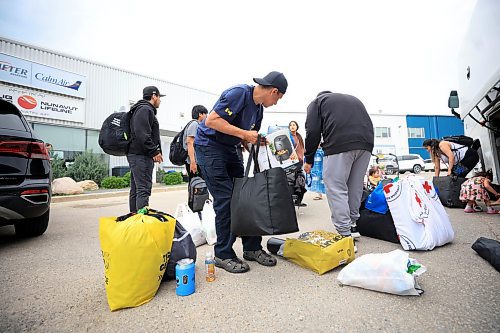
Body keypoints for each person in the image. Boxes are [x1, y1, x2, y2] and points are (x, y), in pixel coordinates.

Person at [195, 71, 287, 273]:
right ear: (273, 91)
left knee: (246, 197)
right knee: (226, 200)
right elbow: (212, 121)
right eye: (278, 98)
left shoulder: (259, 111)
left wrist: (253, 142)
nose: (276, 102)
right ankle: (223, 253)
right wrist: (245, 134)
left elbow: (245, 137)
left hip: (230, 149)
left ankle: (252, 248)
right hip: (209, 148)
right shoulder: (238, 94)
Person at [304, 91, 374, 241]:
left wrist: (308, 159)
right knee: (354, 186)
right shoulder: (353, 98)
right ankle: (353, 225)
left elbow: (312, 131)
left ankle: (344, 233)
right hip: (366, 143)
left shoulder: (317, 102)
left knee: (335, 186)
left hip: (340, 143)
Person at [126, 86, 164, 212]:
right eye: (159, 97)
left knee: (136, 189)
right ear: (154, 96)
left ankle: (134, 220)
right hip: (141, 156)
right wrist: (154, 151)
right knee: (143, 190)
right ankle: (141, 223)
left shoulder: (140, 109)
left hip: (137, 155)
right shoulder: (145, 109)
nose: (160, 100)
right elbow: (142, 134)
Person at [183, 105, 208, 182]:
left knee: (197, 186)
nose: (206, 117)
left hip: (195, 161)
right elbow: (190, 143)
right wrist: (193, 162)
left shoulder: (195, 124)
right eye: (205, 114)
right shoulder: (195, 124)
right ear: (200, 114)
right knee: (197, 186)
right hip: (194, 162)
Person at [288, 120, 307, 207]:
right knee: (291, 181)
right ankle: (291, 201)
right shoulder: (288, 136)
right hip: (292, 162)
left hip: (300, 162)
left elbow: (302, 148)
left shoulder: (299, 136)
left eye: (294, 125)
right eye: (291, 125)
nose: (292, 126)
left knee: (301, 180)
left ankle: (298, 201)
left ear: (297, 127)